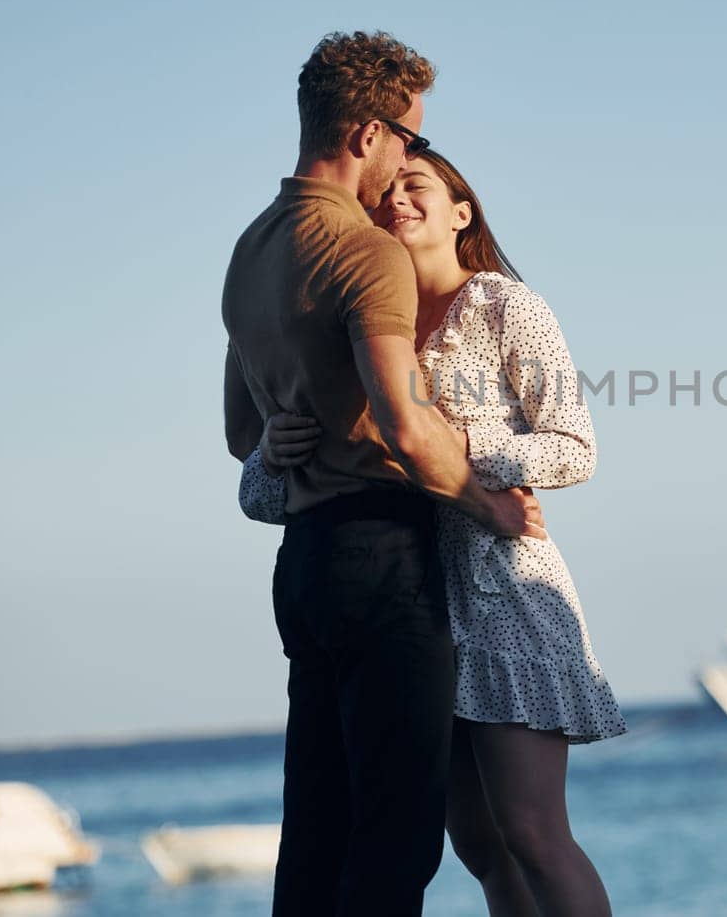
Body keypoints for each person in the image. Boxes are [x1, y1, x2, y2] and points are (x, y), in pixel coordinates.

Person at [240, 149, 626, 917]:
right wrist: (270, 451)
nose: (398, 201)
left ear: (462, 212)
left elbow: (575, 446)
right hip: (414, 607)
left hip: (506, 590)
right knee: (479, 843)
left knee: (531, 829)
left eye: (418, 187)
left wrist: (455, 445)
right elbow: (261, 494)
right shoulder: (366, 322)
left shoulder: (505, 305)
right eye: (388, 191)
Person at [221, 31, 544, 917]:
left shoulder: (249, 252)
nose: (412, 157)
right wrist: (489, 505)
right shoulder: (368, 254)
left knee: (316, 829)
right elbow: (405, 424)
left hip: (305, 561)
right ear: (367, 133)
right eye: (410, 138)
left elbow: (240, 430)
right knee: (397, 839)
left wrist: (290, 432)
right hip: (383, 558)